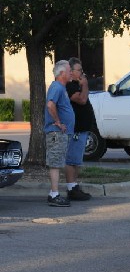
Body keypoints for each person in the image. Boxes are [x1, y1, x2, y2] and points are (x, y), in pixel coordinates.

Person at [44, 60, 75, 207]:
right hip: (56, 133)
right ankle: (54, 194)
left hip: (60, 133)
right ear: (62, 73)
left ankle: (54, 193)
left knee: (57, 163)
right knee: (55, 164)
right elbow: (50, 104)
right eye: (69, 71)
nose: (71, 73)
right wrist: (58, 122)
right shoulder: (57, 87)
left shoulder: (61, 88)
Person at [65, 57, 95, 201]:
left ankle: (74, 186)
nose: (82, 73)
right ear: (71, 71)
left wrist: (83, 85)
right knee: (72, 159)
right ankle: (71, 188)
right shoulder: (70, 86)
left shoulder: (78, 84)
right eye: (79, 70)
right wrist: (85, 85)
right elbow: (82, 100)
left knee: (77, 160)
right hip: (75, 129)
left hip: (82, 129)